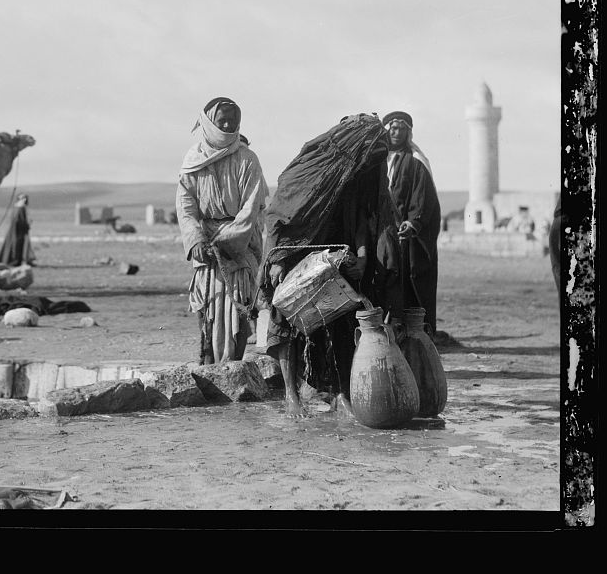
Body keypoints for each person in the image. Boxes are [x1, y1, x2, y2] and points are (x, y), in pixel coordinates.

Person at [257, 113, 399, 417]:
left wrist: (363, 257)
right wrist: (277, 260)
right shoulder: (310, 169)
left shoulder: (361, 176)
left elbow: (363, 218)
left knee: (341, 321)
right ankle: (291, 395)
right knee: (288, 320)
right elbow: (280, 213)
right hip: (295, 253)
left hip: (337, 256)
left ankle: (340, 393)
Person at [176, 97, 268, 365]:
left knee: (238, 306)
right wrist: (196, 240)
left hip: (239, 245)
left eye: (233, 120)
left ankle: (233, 369)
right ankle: (208, 368)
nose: (228, 125)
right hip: (204, 244)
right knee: (208, 307)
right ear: (208, 122)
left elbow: (251, 207)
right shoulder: (193, 160)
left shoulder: (247, 159)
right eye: (222, 120)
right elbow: (185, 205)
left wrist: (227, 241)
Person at [377, 111, 442, 336]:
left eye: (402, 129)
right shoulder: (376, 159)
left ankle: (415, 334)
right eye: (393, 129)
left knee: (408, 278)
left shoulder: (416, 161)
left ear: (408, 132)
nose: (397, 133)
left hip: (404, 233)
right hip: (380, 232)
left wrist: (413, 223)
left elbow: (423, 196)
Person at [0, 193, 36, 267]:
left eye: (25, 198)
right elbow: (19, 220)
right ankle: (16, 261)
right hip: (19, 230)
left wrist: (27, 224)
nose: (24, 199)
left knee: (20, 244)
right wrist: (26, 226)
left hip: (17, 230)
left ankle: (21, 261)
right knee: (17, 245)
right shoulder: (20, 207)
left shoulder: (18, 207)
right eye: (23, 198)